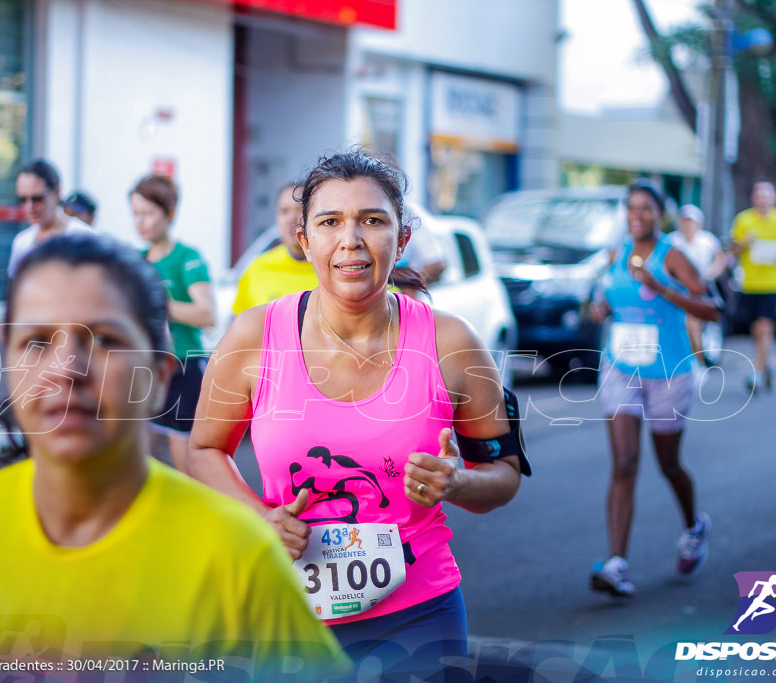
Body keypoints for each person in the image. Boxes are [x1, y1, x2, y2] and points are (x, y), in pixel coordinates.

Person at [0, 234, 348, 679]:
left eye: (104, 340)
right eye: (37, 341)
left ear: (160, 375)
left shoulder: (239, 557)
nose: (67, 369)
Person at [187, 150, 525, 679]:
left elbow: (504, 476)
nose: (351, 239)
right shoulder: (253, 337)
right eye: (329, 222)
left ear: (402, 238)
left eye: (372, 220)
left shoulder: (452, 343)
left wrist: (457, 481)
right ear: (304, 241)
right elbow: (205, 449)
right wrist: (261, 520)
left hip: (419, 615)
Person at [588, 180, 719, 597]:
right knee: (624, 463)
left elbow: (711, 308)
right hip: (620, 367)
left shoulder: (672, 255)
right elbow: (608, 300)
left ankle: (694, 526)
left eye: (646, 208)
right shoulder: (616, 255)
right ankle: (616, 564)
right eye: (631, 208)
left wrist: (662, 286)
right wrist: (601, 308)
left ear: (659, 213)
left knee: (667, 464)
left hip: (670, 371)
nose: (637, 215)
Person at [130, 174, 216, 471]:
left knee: (185, 468)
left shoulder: (187, 258)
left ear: (169, 213)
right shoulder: (135, 261)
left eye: (148, 213)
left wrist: (160, 304)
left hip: (183, 369)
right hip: (145, 371)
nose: (140, 222)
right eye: (135, 214)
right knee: (140, 468)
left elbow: (207, 314)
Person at [729, 179, 776, 392]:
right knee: (756, 329)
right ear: (754, 197)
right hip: (750, 282)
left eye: (767, 194)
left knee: (764, 326)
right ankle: (766, 362)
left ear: (774, 198)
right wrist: (744, 243)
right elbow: (732, 250)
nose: (763, 198)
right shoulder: (743, 220)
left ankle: (757, 374)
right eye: (759, 194)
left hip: (774, 282)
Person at [232, 182, 318, 314]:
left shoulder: (332, 268)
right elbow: (238, 322)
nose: (291, 217)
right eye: (284, 211)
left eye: (299, 209)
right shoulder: (258, 267)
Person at [7, 159, 93, 277]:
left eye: (37, 198)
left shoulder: (84, 237)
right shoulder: (22, 243)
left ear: (57, 192)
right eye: (23, 200)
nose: (30, 207)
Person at [668, 204, 727, 365]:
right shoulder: (672, 240)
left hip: (700, 290)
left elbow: (720, 260)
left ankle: (697, 361)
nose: (688, 225)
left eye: (691, 221)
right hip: (678, 289)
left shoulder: (707, 240)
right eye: (685, 221)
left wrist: (711, 273)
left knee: (692, 323)